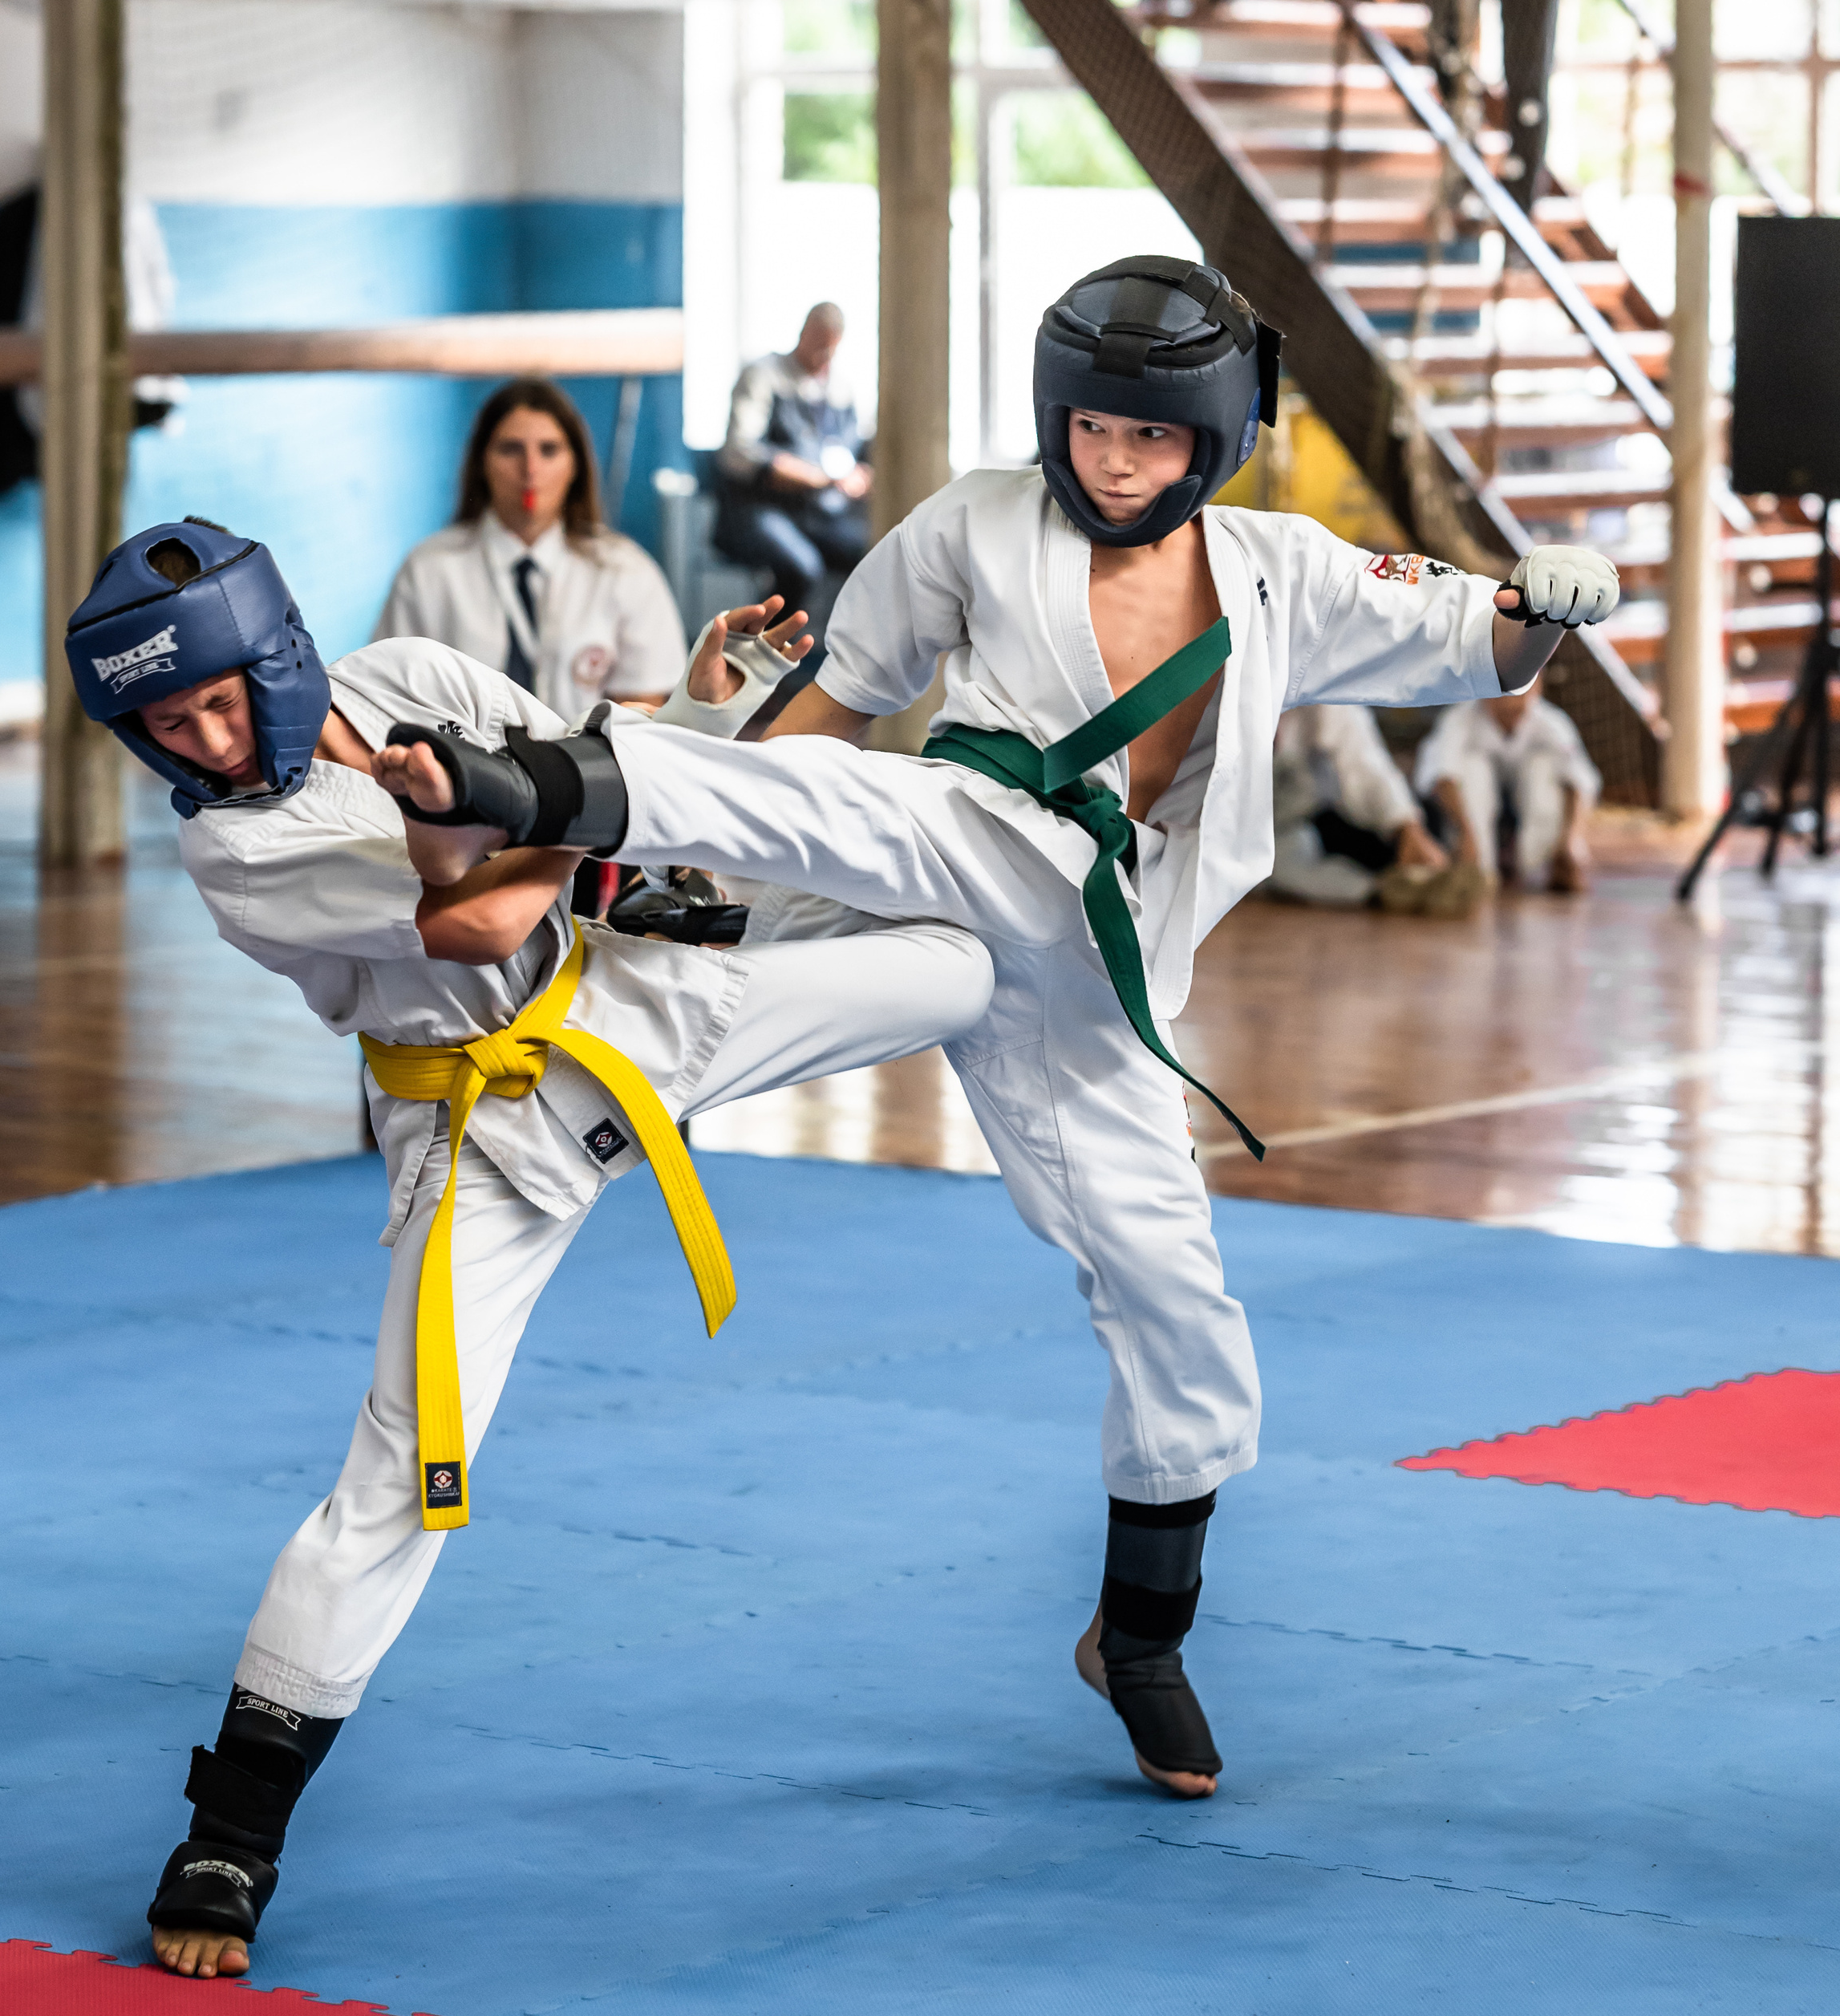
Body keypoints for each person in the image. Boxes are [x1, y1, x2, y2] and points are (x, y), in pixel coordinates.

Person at [371, 255, 1621, 1804]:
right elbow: (836, 705)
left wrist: (1543, 614)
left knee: (1189, 1323)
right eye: (1092, 427)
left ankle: (1142, 1636)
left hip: (1094, 987)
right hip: (944, 857)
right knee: (916, 822)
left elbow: (1467, 638)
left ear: (1214, 441)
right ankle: (536, 826)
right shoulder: (972, 519)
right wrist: (721, 836)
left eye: (1152, 441)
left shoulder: (1283, 573)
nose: (1113, 460)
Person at [63, 518, 994, 1979]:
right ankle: (231, 1833)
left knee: (966, 955)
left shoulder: (414, 672)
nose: (204, 741)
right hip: (478, 1138)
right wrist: (511, 801)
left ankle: (1123, 854)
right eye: (165, 725)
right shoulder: (239, 849)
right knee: (401, 1478)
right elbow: (489, 906)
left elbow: (590, 789)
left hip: (631, 1009)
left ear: (279, 655)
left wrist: (677, 715)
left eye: (218, 700)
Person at [375, 378, 686, 722]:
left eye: (549, 450)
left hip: (590, 772)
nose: (530, 470)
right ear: (482, 462)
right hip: (454, 768)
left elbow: (643, 713)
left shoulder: (627, 573)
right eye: (510, 449)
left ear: (575, 465)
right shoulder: (428, 571)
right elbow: (387, 697)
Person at [713, 302, 873, 623]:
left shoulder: (840, 390)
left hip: (820, 514)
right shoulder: (763, 376)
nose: (821, 357)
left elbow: (857, 454)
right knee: (802, 567)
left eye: (829, 349)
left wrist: (861, 476)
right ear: (803, 333)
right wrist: (811, 477)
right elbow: (738, 453)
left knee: (873, 558)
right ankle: (759, 659)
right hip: (757, 510)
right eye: (816, 344)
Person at [1268, 700, 1477, 915]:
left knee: (1304, 853)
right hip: (1246, 828)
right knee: (1279, 869)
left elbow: (1364, 761)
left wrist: (1408, 829)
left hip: (1293, 823)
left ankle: (1391, 889)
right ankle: (1381, 891)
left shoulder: (1319, 695)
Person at [1414, 679, 1600, 892]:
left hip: (1524, 816)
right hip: (1470, 825)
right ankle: (1479, 870)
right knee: (1473, 768)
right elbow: (1443, 777)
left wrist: (1571, 841)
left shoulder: (1552, 722)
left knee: (1543, 768)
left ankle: (1544, 866)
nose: (1512, 710)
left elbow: (1577, 783)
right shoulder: (1458, 718)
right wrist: (1467, 834)